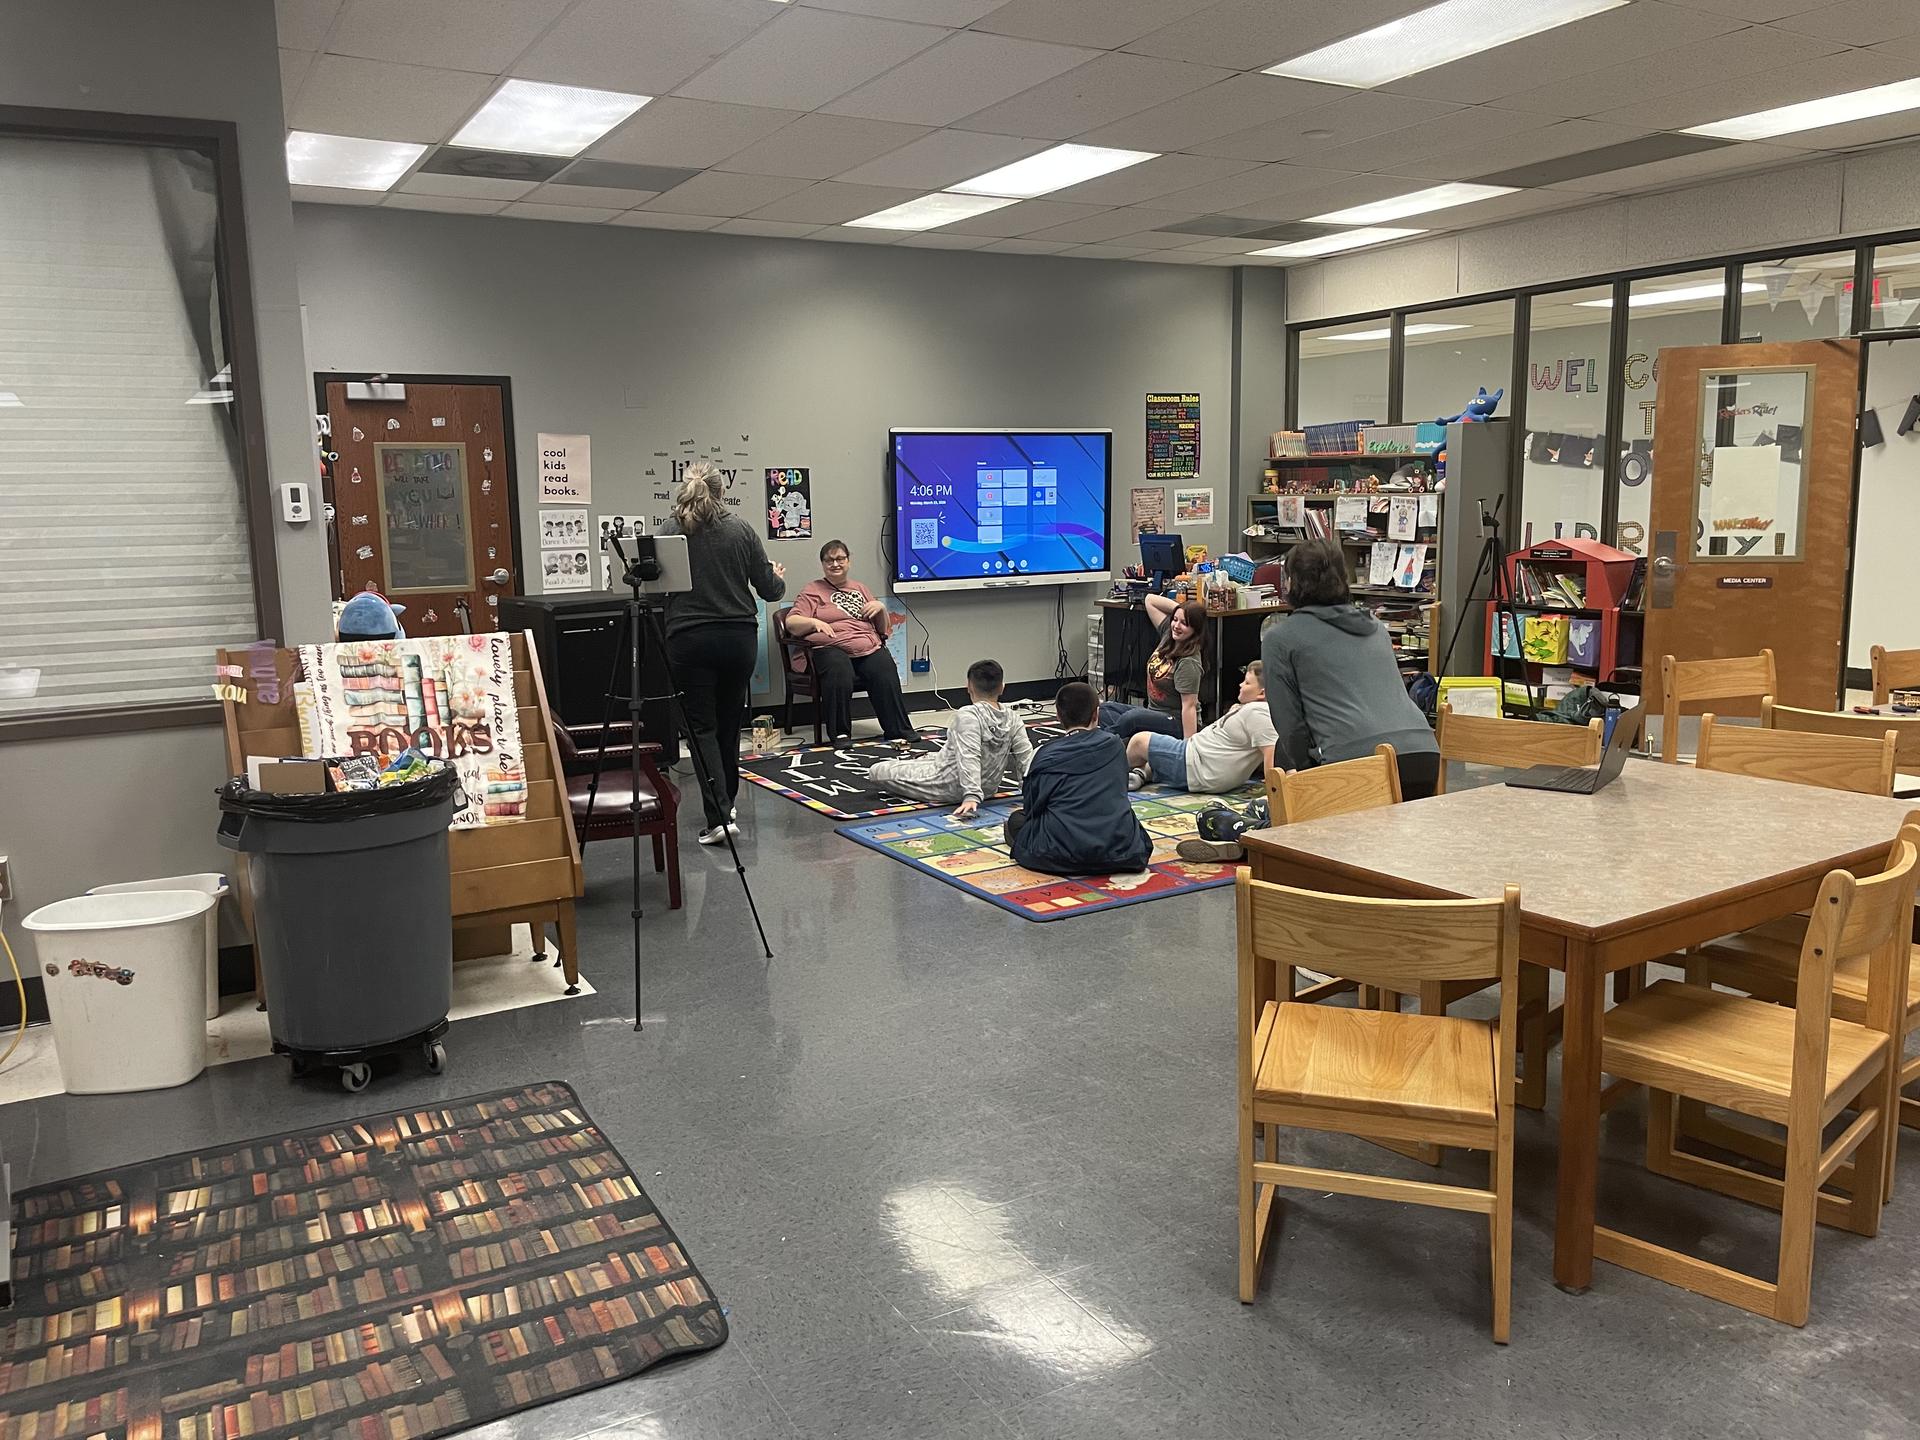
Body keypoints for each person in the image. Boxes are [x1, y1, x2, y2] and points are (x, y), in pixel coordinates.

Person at [660, 460, 786, 845]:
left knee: (700, 729)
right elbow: (770, 591)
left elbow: (653, 587)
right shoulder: (741, 529)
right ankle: (726, 806)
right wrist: (778, 577)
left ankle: (718, 817)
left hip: (690, 639)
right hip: (738, 639)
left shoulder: (670, 530)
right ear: (721, 491)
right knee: (730, 724)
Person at [1261, 537, 1439, 800]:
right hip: (1422, 754)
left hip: (1356, 763)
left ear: (1291, 582)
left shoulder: (1281, 638)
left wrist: (1308, 781)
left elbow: (1290, 726)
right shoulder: (1376, 628)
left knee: (1298, 825)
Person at [1006, 681, 1152, 876]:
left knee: (1016, 821)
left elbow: (1032, 808)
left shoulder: (1043, 754)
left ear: (1058, 716)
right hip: (1121, 850)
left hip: (1058, 854)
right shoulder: (1115, 745)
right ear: (1096, 714)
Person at [785, 538, 916, 744]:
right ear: (823, 564)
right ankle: (841, 733)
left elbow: (882, 630)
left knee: (883, 665)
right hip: (827, 647)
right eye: (829, 560)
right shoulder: (813, 590)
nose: (835, 564)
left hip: (864, 646)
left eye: (840, 559)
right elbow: (791, 622)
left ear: (848, 561)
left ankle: (898, 729)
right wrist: (812, 622)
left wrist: (880, 608)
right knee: (838, 666)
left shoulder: (860, 588)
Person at [866, 659, 1033, 818]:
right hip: (988, 788)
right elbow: (1026, 759)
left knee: (877, 770)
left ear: (969, 687)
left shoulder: (968, 715)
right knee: (929, 758)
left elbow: (970, 756)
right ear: (1002, 687)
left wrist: (971, 796)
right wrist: (1031, 793)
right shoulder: (1013, 717)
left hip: (947, 786)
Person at [1126, 660, 1276, 794]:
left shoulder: (1258, 713)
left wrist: (1275, 795)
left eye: (1247, 683)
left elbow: (1271, 755)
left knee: (1139, 741)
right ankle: (1140, 774)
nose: (1240, 685)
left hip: (1196, 765)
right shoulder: (1252, 710)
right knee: (1151, 760)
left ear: (1261, 693)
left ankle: (1108, 776)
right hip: (1199, 761)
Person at [1098, 593, 1207, 740]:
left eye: (1184, 623)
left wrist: (1188, 747)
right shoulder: (1168, 636)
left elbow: (1189, 706)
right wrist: (1183, 610)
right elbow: (1150, 600)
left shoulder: (1189, 662)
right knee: (1104, 709)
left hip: (1175, 721)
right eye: (1175, 620)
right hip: (1152, 712)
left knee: (1133, 718)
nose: (1176, 626)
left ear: (1195, 628)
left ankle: (1104, 743)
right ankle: (1120, 742)